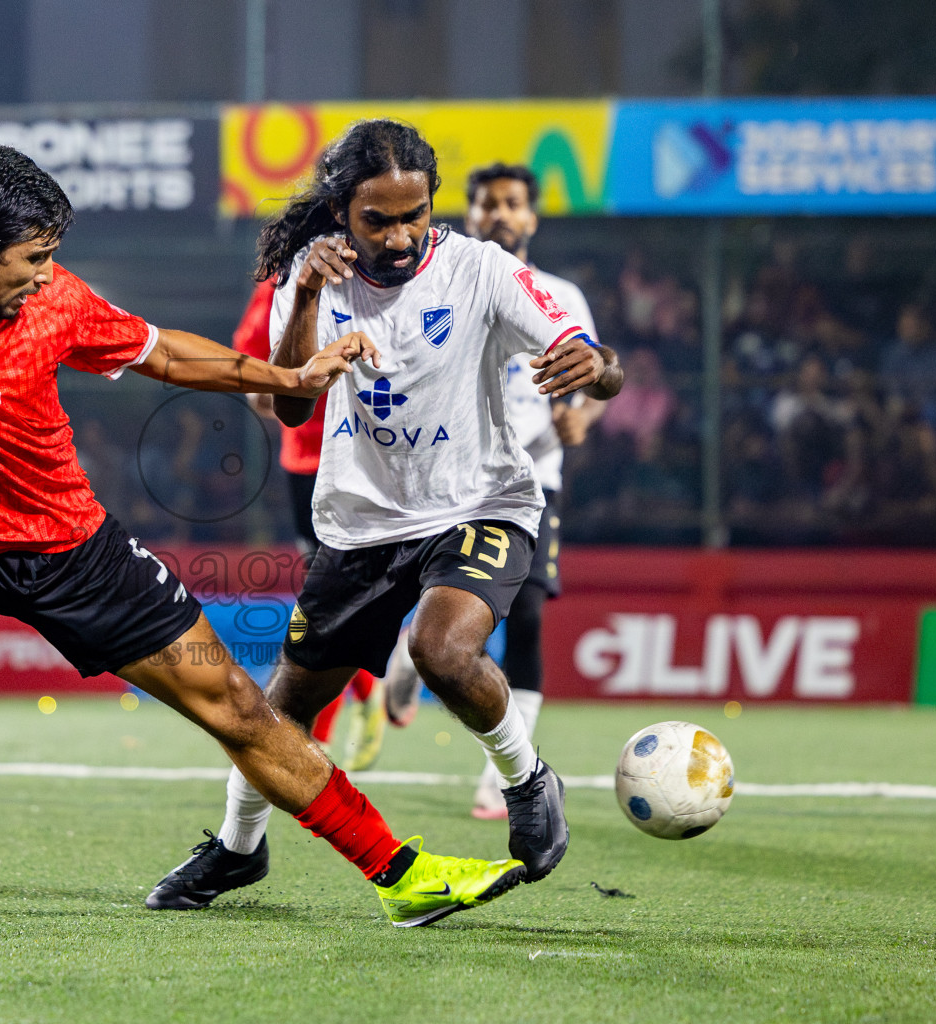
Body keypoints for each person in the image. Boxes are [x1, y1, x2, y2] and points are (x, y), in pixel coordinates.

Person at [0, 126, 527, 934]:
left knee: (235, 703)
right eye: (33, 257)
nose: (49, 275)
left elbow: (165, 355)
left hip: (75, 545)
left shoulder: (56, 300)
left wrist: (287, 375)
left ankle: (402, 877)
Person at [147, 120, 622, 913]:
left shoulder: (481, 269)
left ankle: (526, 778)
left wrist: (597, 369)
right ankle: (236, 851)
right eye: (379, 220)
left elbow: (598, 363)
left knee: (441, 649)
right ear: (341, 210)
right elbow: (294, 408)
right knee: (282, 710)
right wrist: (302, 293)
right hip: (362, 524)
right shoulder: (310, 276)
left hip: (483, 502)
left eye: (416, 215)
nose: (401, 236)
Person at [460, 162, 605, 819]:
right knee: (453, 622)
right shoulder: (449, 285)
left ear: (531, 218)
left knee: (527, 618)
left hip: (532, 478)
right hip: (450, 478)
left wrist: (584, 416)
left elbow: (597, 379)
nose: (499, 214)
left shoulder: (561, 296)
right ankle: (409, 668)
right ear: (470, 215)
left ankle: (503, 772)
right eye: (487, 203)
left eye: (511, 203)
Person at [232, 279, 386, 769]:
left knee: (347, 599)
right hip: (309, 463)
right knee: (328, 597)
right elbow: (252, 381)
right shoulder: (275, 292)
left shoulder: (391, 276)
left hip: (381, 456)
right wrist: (286, 389)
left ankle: (313, 738)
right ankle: (363, 694)